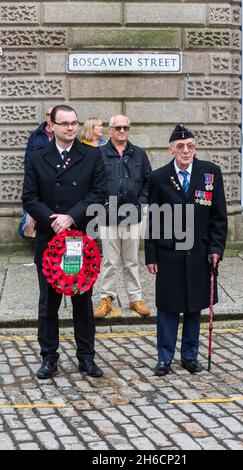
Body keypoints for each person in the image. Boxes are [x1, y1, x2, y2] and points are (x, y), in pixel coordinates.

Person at [22, 104, 107, 380]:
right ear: (53, 126)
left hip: (81, 240)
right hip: (49, 241)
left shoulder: (92, 155)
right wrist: (52, 219)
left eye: (73, 123)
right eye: (65, 123)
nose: (70, 127)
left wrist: (71, 217)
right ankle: (49, 357)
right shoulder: (37, 157)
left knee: (83, 302)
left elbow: (98, 194)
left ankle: (86, 357)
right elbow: (29, 198)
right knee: (49, 303)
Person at [145, 124, 228, 376]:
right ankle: (164, 358)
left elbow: (219, 216)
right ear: (171, 149)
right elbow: (153, 220)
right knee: (168, 307)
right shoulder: (158, 177)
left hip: (200, 253)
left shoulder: (210, 173)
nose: (186, 150)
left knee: (194, 306)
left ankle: (190, 356)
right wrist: (151, 255)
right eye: (180, 146)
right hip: (169, 253)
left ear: (195, 147)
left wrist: (216, 248)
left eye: (190, 145)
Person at [94, 114, 151, 318]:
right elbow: (93, 182)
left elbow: (147, 181)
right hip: (107, 215)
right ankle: (106, 298)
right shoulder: (99, 154)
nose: (121, 131)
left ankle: (135, 298)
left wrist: (142, 202)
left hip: (132, 215)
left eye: (125, 128)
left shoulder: (139, 154)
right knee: (109, 260)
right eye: (117, 127)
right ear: (110, 130)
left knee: (131, 260)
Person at [19, 106, 54, 240]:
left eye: (53, 114)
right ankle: (36, 246)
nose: (50, 117)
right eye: (48, 114)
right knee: (34, 214)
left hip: (56, 181)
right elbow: (28, 158)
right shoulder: (36, 135)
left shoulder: (62, 134)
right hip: (38, 179)